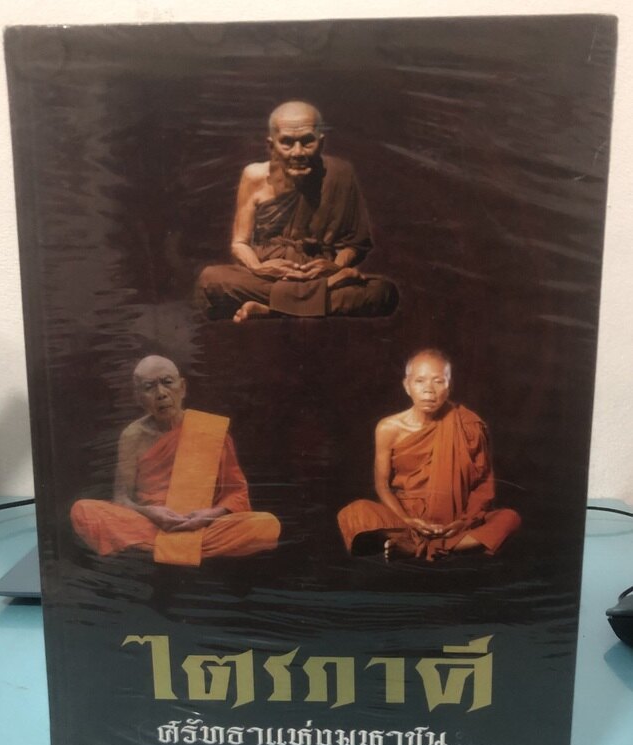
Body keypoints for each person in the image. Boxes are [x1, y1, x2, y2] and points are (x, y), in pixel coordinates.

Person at [196, 100, 399, 321]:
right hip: (271, 274)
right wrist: (259, 268)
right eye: (287, 143)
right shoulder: (254, 176)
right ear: (271, 146)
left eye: (307, 141)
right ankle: (320, 294)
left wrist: (334, 266)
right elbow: (240, 243)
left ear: (321, 142)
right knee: (211, 280)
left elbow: (356, 244)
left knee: (383, 292)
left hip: (319, 272)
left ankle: (270, 308)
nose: (298, 152)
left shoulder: (341, 173)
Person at [70, 355, 281, 566]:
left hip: (202, 524)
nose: (161, 393)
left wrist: (209, 515)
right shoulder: (132, 436)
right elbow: (122, 498)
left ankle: (159, 548)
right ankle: (183, 548)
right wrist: (150, 512)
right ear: (138, 397)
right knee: (84, 511)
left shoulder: (210, 429)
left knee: (266, 524)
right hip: (151, 523)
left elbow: (236, 493)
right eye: (149, 387)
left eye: (167, 382)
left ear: (183, 387)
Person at [337, 349, 521, 561]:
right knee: (355, 513)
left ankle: (420, 547)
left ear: (449, 386)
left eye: (438, 381)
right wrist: (407, 519)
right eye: (420, 381)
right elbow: (382, 485)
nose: (429, 390)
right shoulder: (388, 428)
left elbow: (483, 485)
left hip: (456, 521)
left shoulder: (469, 425)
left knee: (510, 519)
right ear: (407, 386)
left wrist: (464, 522)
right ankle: (426, 542)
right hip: (407, 515)